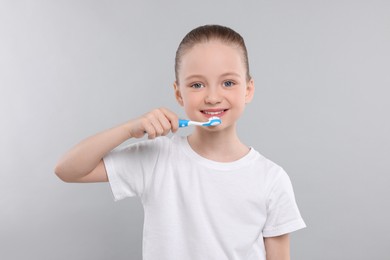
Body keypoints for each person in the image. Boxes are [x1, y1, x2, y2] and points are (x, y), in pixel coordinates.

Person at [55, 24, 306, 260]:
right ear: (178, 93)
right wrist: (128, 129)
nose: (212, 97)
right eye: (197, 84)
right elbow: (67, 169)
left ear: (248, 90)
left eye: (228, 83)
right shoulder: (157, 158)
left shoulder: (272, 179)